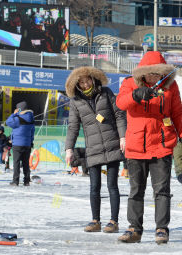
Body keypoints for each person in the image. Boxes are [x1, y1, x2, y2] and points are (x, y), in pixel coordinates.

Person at [116, 51, 182, 244]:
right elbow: (120, 103)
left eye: (158, 73)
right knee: (136, 190)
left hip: (162, 145)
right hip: (136, 146)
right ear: (142, 73)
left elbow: (178, 112)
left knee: (162, 191)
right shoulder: (129, 83)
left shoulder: (170, 86)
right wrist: (135, 95)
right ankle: (134, 228)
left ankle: (161, 228)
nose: (154, 77)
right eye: (151, 73)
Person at [65, 66, 126, 234]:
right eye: (82, 82)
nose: (85, 84)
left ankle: (113, 221)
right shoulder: (76, 101)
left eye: (87, 80)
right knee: (94, 187)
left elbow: (120, 115)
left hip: (112, 144)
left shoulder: (106, 93)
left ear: (93, 79)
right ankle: (95, 220)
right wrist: (69, 148)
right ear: (77, 84)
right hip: (92, 148)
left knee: (112, 185)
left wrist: (123, 137)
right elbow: (73, 127)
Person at [6, 101, 35, 186]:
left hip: (17, 144)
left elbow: (8, 122)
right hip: (27, 144)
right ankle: (26, 180)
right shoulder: (31, 118)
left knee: (16, 162)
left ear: (19, 109)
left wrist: (14, 114)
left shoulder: (17, 119)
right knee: (26, 163)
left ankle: (16, 181)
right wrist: (31, 141)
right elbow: (32, 132)